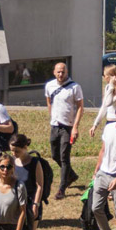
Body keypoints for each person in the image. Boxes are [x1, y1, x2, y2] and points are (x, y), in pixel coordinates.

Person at [42, 61, 84, 199]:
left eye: (63, 72)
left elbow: (80, 107)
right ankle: (71, 175)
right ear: (54, 72)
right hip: (55, 125)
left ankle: (61, 188)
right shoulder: (49, 86)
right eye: (58, 72)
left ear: (67, 72)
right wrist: (52, 116)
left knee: (64, 157)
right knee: (55, 155)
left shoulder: (75, 87)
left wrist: (75, 127)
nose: (60, 74)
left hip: (68, 126)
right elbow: (49, 102)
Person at [8, 134, 47, 230]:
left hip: (31, 203)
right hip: (16, 203)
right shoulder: (12, 162)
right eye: (12, 150)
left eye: (17, 150)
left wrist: (36, 204)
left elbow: (39, 186)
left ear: (25, 148)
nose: (14, 153)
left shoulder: (34, 162)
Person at [87, 66, 116, 138]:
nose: (104, 78)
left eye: (105, 76)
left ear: (113, 77)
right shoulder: (108, 87)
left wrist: (111, 85)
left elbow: (108, 103)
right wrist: (95, 125)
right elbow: (104, 107)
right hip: (109, 122)